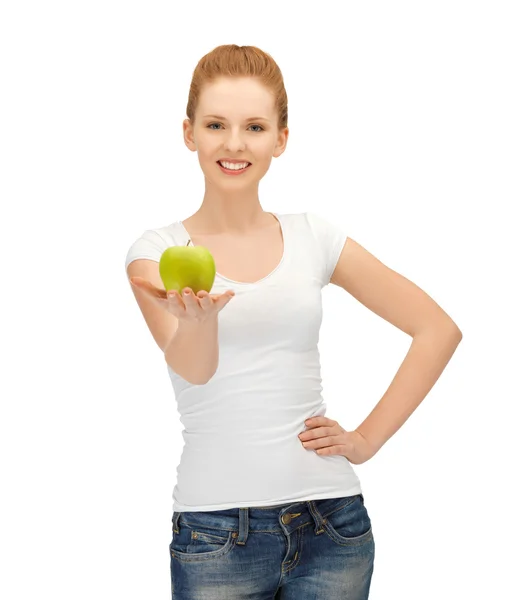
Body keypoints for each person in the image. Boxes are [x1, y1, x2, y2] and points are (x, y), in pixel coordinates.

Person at [125, 44, 462, 600]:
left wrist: (364, 441)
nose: (234, 144)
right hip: (215, 535)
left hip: (333, 525)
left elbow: (437, 330)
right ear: (189, 133)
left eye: (254, 126)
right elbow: (193, 368)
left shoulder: (315, 237)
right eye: (216, 124)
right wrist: (200, 321)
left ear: (280, 139)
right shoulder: (157, 250)